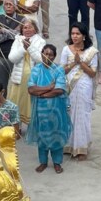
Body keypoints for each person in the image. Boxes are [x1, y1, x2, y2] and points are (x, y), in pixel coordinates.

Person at [27, 43, 71, 174]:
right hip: (40, 110)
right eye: (45, 54)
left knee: (56, 134)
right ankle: (43, 162)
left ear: (55, 56)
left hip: (56, 109)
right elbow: (30, 89)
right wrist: (48, 88)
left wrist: (41, 94)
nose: (47, 57)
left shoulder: (58, 70)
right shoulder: (36, 70)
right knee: (42, 135)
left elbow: (59, 90)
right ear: (41, 54)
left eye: (50, 55)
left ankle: (57, 163)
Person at [61, 23, 97, 160]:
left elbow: (93, 73)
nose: (74, 36)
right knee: (68, 113)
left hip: (84, 85)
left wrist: (81, 63)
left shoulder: (92, 51)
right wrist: (73, 63)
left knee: (82, 115)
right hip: (70, 85)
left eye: (77, 34)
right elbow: (62, 70)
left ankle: (82, 148)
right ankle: (69, 145)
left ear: (84, 36)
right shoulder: (66, 49)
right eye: (72, 34)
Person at [7, 19, 45, 126]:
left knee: (31, 104)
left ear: (35, 29)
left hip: (33, 80)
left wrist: (30, 47)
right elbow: (12, 58)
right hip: (18, 79)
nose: (27, 29)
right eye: (25, 27)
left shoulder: (40, 41)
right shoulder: (18, 40)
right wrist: (23, 49)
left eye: (30, 27)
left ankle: (32, 129)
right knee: (16, 103)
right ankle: (16, 128)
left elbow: (40, 59)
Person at [0, 0, 23, 89]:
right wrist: (11, 33)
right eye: (6, 4)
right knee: (2, 83)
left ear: (15, 7)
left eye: (11, 4)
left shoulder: (22, 19)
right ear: (3, 7)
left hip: (16, 58)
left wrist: (4, 31)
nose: (8, 6)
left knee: (16, 85)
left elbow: (19, 36)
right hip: (1, 56)